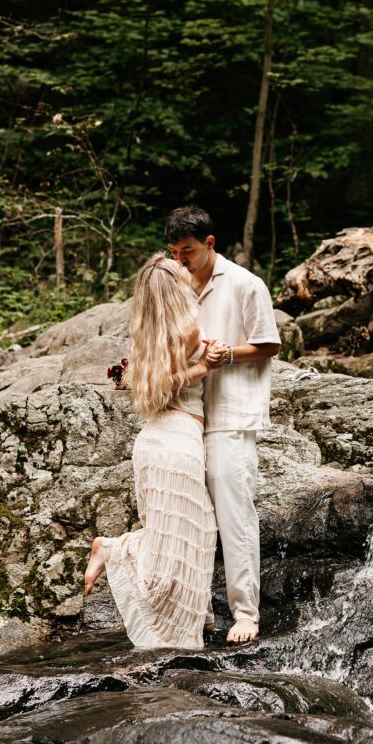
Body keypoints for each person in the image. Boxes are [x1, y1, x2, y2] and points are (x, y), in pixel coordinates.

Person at [83, 252, 218, 650]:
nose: (188, 269)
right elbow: (165, 384)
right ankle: (116, 550)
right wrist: (203, 367)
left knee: (180, 536)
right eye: (181, 270)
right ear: (173, 287)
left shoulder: (148, 334)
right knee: (190, 537)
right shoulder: (189, 328)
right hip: (177, 442)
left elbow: (148, 389)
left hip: (155, 442)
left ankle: (195, 622)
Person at [165, 205, 281, 644]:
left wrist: (227, 353)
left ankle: (246, 613)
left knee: (234, 515)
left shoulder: (245, 284)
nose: (181, 260)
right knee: (190, 517)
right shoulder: (174, 284)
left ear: (210, 243)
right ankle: (198, 612)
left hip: (231, 413)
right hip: (185, 412)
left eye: (188, 251)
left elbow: (269, 343)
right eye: (174, 252)